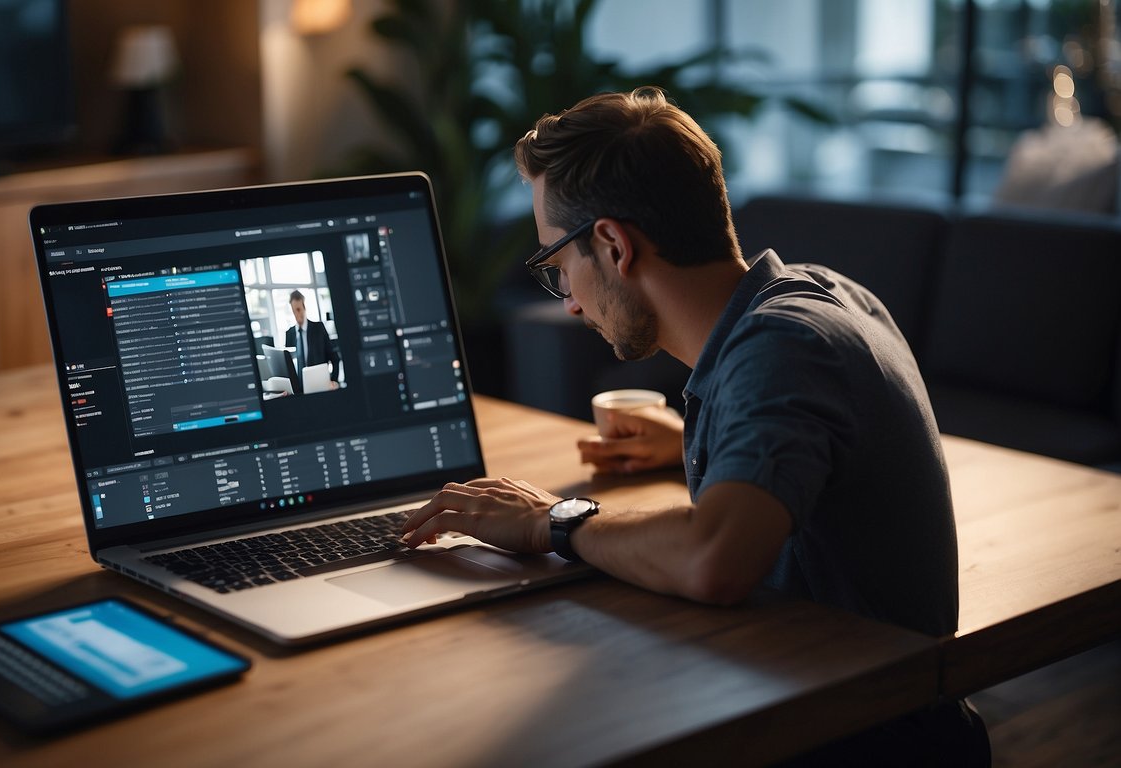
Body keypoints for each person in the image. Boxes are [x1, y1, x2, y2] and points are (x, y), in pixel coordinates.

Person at [401, 88, 989, 765]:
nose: (568, 305)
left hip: (864, 737)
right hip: (822, 697)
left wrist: (552, 521)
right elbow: (822, 452)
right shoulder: (819, 293)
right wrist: (692, 435)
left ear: (613, 244)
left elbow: (715, 560)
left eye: (559, 268)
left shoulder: (784, 349)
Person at [283, 289, 340, 389]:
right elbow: (288, 366)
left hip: (319, 386)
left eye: (298, 309)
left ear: (304, 308)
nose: (296, 314)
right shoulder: (289, 334)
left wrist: (334, 380)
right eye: (293, 311)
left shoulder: (318, 328)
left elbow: (334, 358)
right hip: (298, 390)